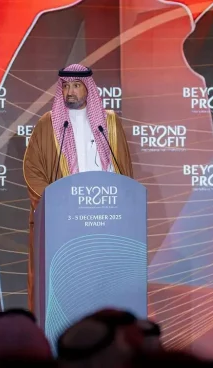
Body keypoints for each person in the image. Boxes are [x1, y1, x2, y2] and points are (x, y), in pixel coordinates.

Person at [23, 64, 134, 312]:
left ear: (88, 88)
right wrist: (54, 201)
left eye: (76, 85)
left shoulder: (109, 123)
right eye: (65, 86)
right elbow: (33, 170)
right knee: (67, 291)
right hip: (65, 219)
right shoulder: (48, 124)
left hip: (104, 217)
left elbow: (123, 168)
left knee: (102, 286)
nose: (70, 91)